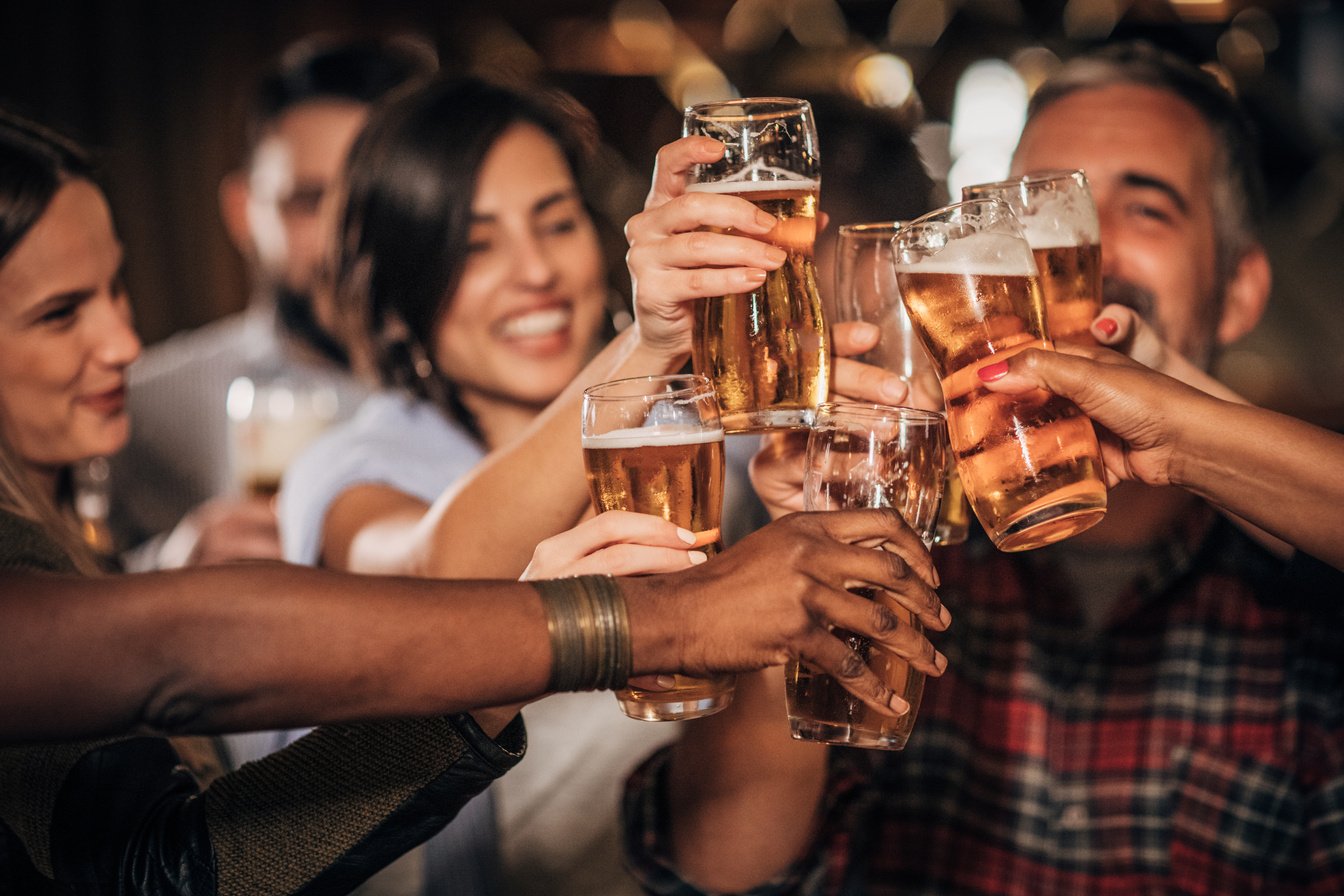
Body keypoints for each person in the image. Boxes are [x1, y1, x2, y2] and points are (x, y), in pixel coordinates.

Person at [0, 106, 949, 892]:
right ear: (402, 291)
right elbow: (437, 578)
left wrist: (804, 530)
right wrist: (650, 355)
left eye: (556, 221)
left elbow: (722, 857)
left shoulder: (695, 446)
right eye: (473, 244)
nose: (533, 271)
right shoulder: (354, 464)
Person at [622, 41, 1344, 895]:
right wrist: (809, 547)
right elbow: (717, 866)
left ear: (1241, 290)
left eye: (1147, 209)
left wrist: (1188, 430)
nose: (1084, 240)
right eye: (1028, 204)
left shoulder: (1304, 579)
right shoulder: (913, 528)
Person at [107, 34, 436, 570]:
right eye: (308, 201)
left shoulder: (490, 385)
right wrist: (166, 567)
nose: (342, 240)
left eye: (370, 202)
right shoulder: (143, 407)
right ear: (242, 212)